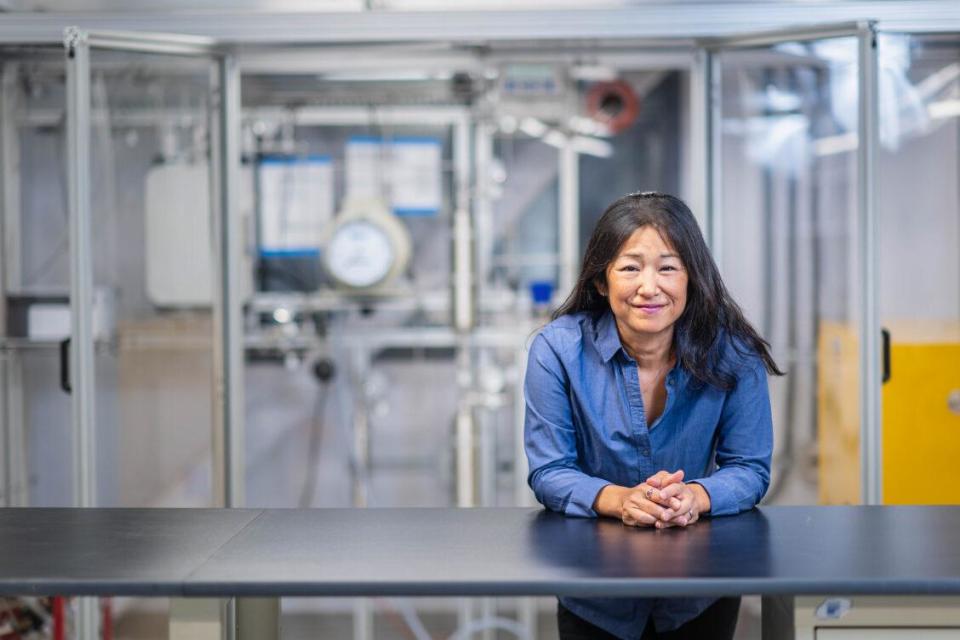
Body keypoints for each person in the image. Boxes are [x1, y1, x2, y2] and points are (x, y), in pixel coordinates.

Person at [523, 192, 782, 640]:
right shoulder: (557, 351)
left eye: (667, 267)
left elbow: (749, 467)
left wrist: (695, 497)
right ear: (602, 282)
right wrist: (620, 499)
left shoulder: (734, 353)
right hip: (594, 589)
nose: (649, 286)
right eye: (629, 267)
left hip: (702, 589)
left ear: (691, 278)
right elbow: (550, 469)